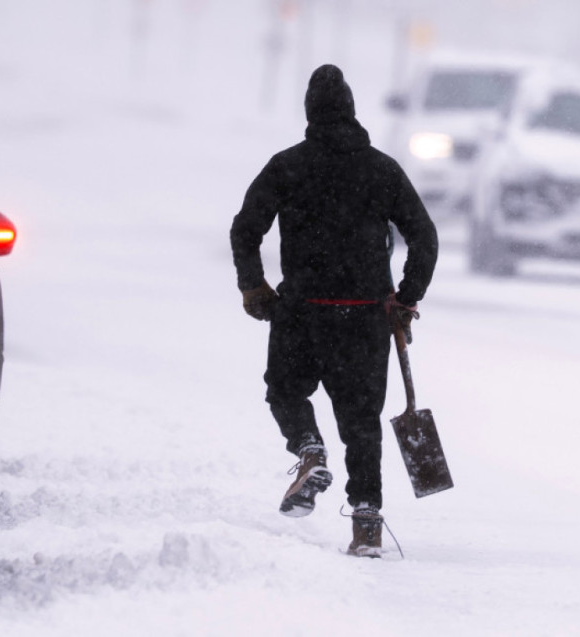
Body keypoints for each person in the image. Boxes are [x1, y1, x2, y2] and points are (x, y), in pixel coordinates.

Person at [229, 64, 438, 558]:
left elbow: (245, 229)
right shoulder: (382, 170)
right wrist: (407, 297)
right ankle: (366, 524)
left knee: (285, 392)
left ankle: (309, 448)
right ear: (352, 111)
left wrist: (254, 286)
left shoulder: (287, 166)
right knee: (362, 421)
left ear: (310, 114)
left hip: (302, 312)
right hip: (365, 318)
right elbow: (424, 237)